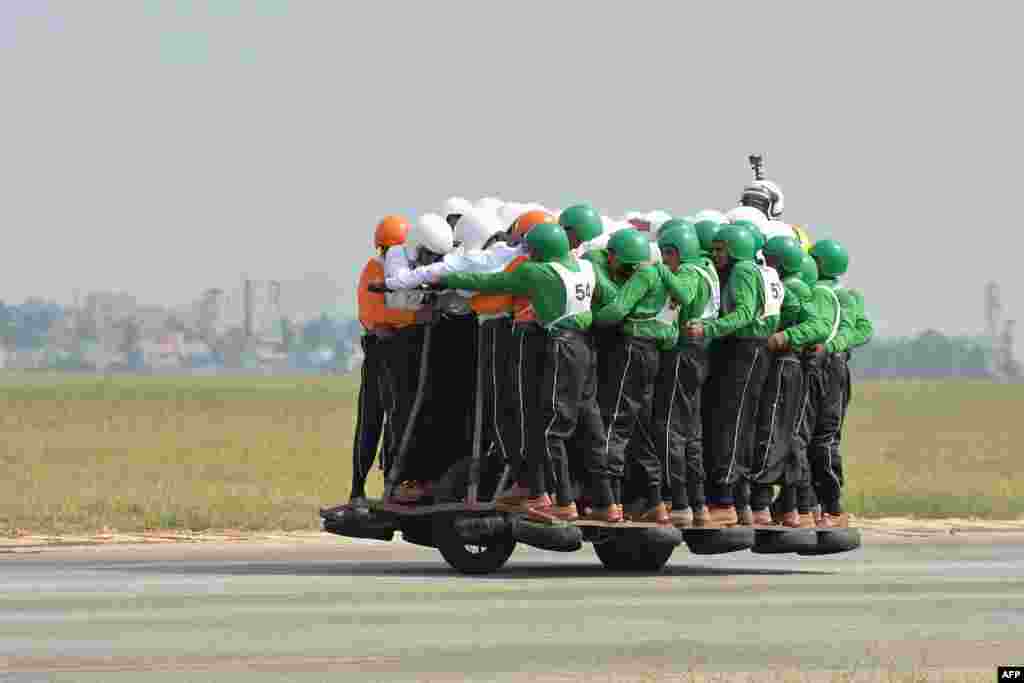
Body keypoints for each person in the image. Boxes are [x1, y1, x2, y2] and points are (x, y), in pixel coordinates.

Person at [441, 223, 621, 524]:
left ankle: (562, 502)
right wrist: (587, 317)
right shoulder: (587, 268)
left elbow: (490, 283)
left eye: (531, 250)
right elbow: (614, 298)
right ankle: (607, 503)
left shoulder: (538, 272)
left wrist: (444, 278)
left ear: (540, 251)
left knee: (551, 428)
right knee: (591, 428)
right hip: (585, 348)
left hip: (560, 348)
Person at [685, 224, 782, 525]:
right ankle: (742, 501)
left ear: (736, 249)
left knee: (733, 422)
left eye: (719, 250)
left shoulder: (742, 272)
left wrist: (708, 329)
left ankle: (725, 500)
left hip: (744, 349)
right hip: (748, 350)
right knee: (739, 423)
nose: (714, 256)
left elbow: (744, 314)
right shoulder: (757, 271)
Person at [592, 228, 676, 524]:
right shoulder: (665, 278)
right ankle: (654, 501)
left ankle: (608, 500)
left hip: (631, 350)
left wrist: (587, 320)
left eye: (612, 254)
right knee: (640, 426)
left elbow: (617, 309)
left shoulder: (642, 276)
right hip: (652, 353)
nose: (608, 259)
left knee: (614, 420)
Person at [770, 239, 852, 527]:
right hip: (836, 367)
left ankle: (807, 505)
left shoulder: (815, 293)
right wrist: (836, 346)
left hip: (817, 367)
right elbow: (859, 329)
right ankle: (826, 506)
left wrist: (792, 339)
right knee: (824, 439)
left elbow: (817, 328)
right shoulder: (841, 294)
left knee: (801, 436)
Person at [652, 221, 719, 526]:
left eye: (667, 254)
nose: (665, 260)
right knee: (692, 432)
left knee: (669, 428)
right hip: (700, 352)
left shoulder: (689, 272)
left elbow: (686, 296)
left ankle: (677, 501)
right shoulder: (707, 268)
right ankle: (698, 503)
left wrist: (660, 272)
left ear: (676, 252)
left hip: (683, 351)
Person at [348, 215, 416, 505]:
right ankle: (358, 489)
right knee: (372, 419)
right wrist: (414, 318)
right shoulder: (375, 270)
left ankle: (394, 481)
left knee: (398, 417)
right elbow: (375, 318)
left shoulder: (398, 271)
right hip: (381, 353)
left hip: (398, 351)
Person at [750, 236, 812, 525]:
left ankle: (762, 503)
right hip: (790, 365)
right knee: (786, 435)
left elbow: (816, 325)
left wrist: (785, 337)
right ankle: (790, 506)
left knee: (771, 429)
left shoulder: (792, 288)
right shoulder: (795, 285)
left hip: (784, 363)